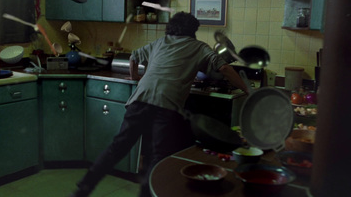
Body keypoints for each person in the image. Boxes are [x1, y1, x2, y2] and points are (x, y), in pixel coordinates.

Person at [70, 12, 248, 197]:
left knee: (118, 147)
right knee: (157, 155)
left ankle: (84, 186)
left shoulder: (160, 42)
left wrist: (136, 77)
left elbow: (133, 57)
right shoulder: (199, 47)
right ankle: (146, 194)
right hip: (166, 105)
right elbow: (225, 68)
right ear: (193, 30)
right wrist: (246, 89)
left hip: (139, 100)